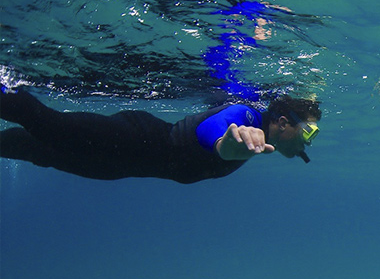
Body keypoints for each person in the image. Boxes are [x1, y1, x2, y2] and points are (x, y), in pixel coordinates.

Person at [0, 86, 321, 184]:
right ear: (282, 121)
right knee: (50, 126)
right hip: (132, 138)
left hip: (120, 165)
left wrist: (230, 149)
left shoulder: (256, 138)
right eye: (309, 131)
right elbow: (210, 130)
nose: (308, 142)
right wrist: (225, 146)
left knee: (36, 150)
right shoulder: (248, 118)